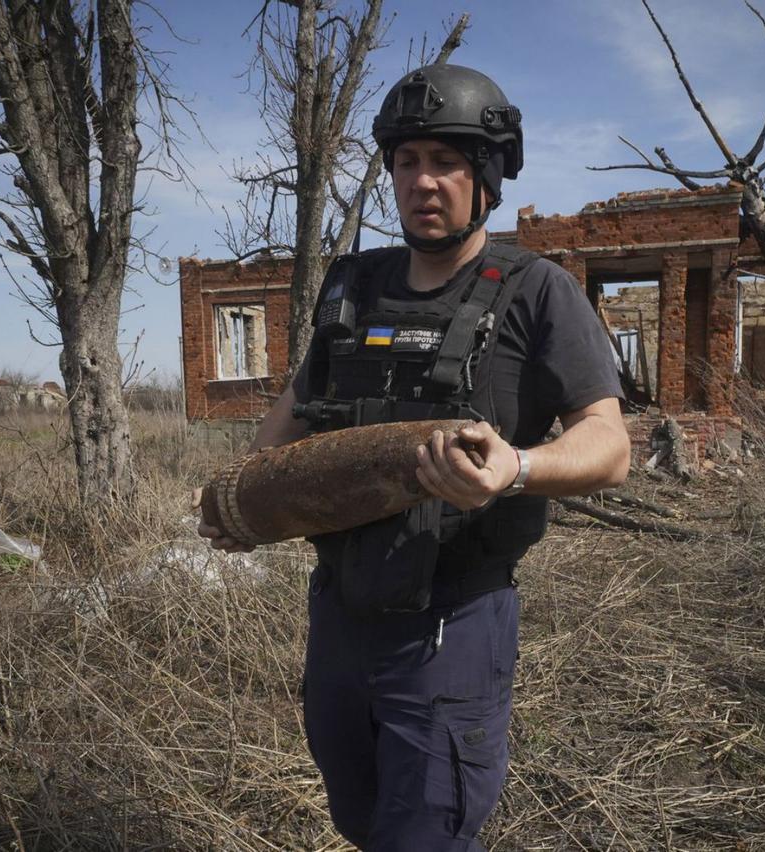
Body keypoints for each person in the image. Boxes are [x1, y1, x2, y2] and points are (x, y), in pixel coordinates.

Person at [196, 63, 630, 850]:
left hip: (451, 627)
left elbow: (609, 441)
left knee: (424, 834)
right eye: (406, 162)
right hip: (339, 614)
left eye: (447, 162)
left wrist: (517, 468)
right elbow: (296, 412)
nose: (423, 181)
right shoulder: (352, 288)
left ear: (487, 174)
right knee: (360, 821)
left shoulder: (537, 291)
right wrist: (244, 501)